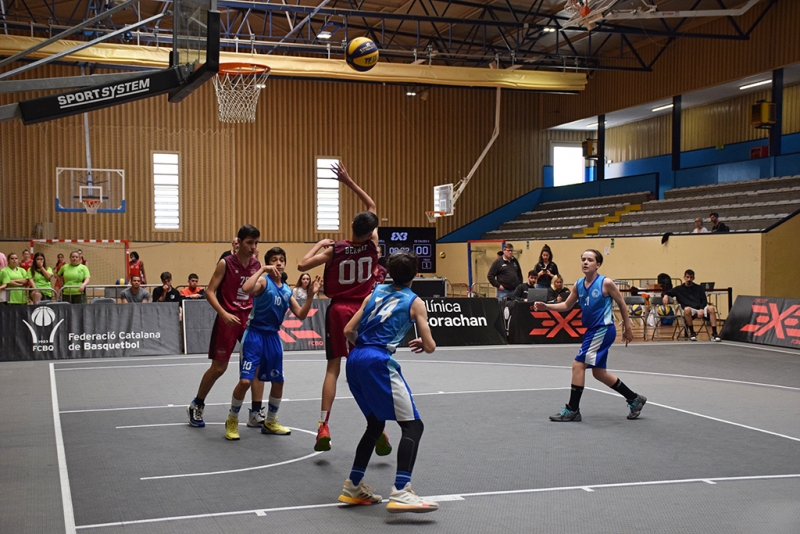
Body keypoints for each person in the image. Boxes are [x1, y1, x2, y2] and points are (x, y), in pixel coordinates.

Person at [298, 162, 390, 454]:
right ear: (371, 229)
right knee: (363, 369)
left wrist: (317, 245)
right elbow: (372, 204)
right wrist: (349, 181)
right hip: (364, 311)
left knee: (333, 369)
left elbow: (300, 265)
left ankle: (324, 425)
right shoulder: (373, 245)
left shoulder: (334, 249)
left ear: (351, 227)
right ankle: (378, 428)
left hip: (339, 311)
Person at [338, 250, 439, 513]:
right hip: (377, 361)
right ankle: (402, 490)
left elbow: (348, 330)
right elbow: (430, 346)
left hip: (355, 358)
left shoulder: (374, 293)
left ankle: (353, 486)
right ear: (416, 274)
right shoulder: (415, 301)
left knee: (375, 424)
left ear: (389, 272)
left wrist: (364, 348)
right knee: (413, 427)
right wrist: (419, 342)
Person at [534, 249, 646, 422]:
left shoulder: (605, 283)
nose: (585, 262)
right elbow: (566, 305)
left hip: (603, 329)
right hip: (592, 331)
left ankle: (572, 409)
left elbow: (622, 303)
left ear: (598, 264)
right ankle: (634, 398)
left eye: (590, 260)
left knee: (578, 365)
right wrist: (547, 307)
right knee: (599, 373)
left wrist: (628, 327)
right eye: (583, 259)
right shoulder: (578, 284)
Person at [224, 247, 322, 440]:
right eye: (274, 260)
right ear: (269, 263)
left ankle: (270, 421)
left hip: (272, 338)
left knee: (278, 381)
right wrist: (261, 269)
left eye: (281, 260)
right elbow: (245, 289)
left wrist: (311, 294)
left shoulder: (286, 290)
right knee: (245, 381)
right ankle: (232, 419)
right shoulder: (262, 281)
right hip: (254, 335)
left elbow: (301, 315)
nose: (279, 263)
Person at [188, 225, 263, 428]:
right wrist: (223, 313)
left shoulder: (257, 265)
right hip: (228, 318)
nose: (253, 247)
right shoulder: (226, 263)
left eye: (255, 243)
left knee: (256, 366)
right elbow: (210, 291)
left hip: (249, 319)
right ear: (238, 242)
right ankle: (197, 404)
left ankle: (256, 412)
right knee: (219, 368)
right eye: (249, 243)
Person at [662, 269, 721, 342]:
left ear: (693, 278)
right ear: (684, 277)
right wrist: (665, 296)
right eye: (687, 277)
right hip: (689, 309)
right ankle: (692, 333)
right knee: (686, 309)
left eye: (691, 277)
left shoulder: (699, 288)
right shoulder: (678, 289)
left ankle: (714, 334)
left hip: (700, 308)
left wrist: (701, 309)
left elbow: (704, 300)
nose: (689, 279)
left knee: (711, 308)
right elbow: (665, 293)